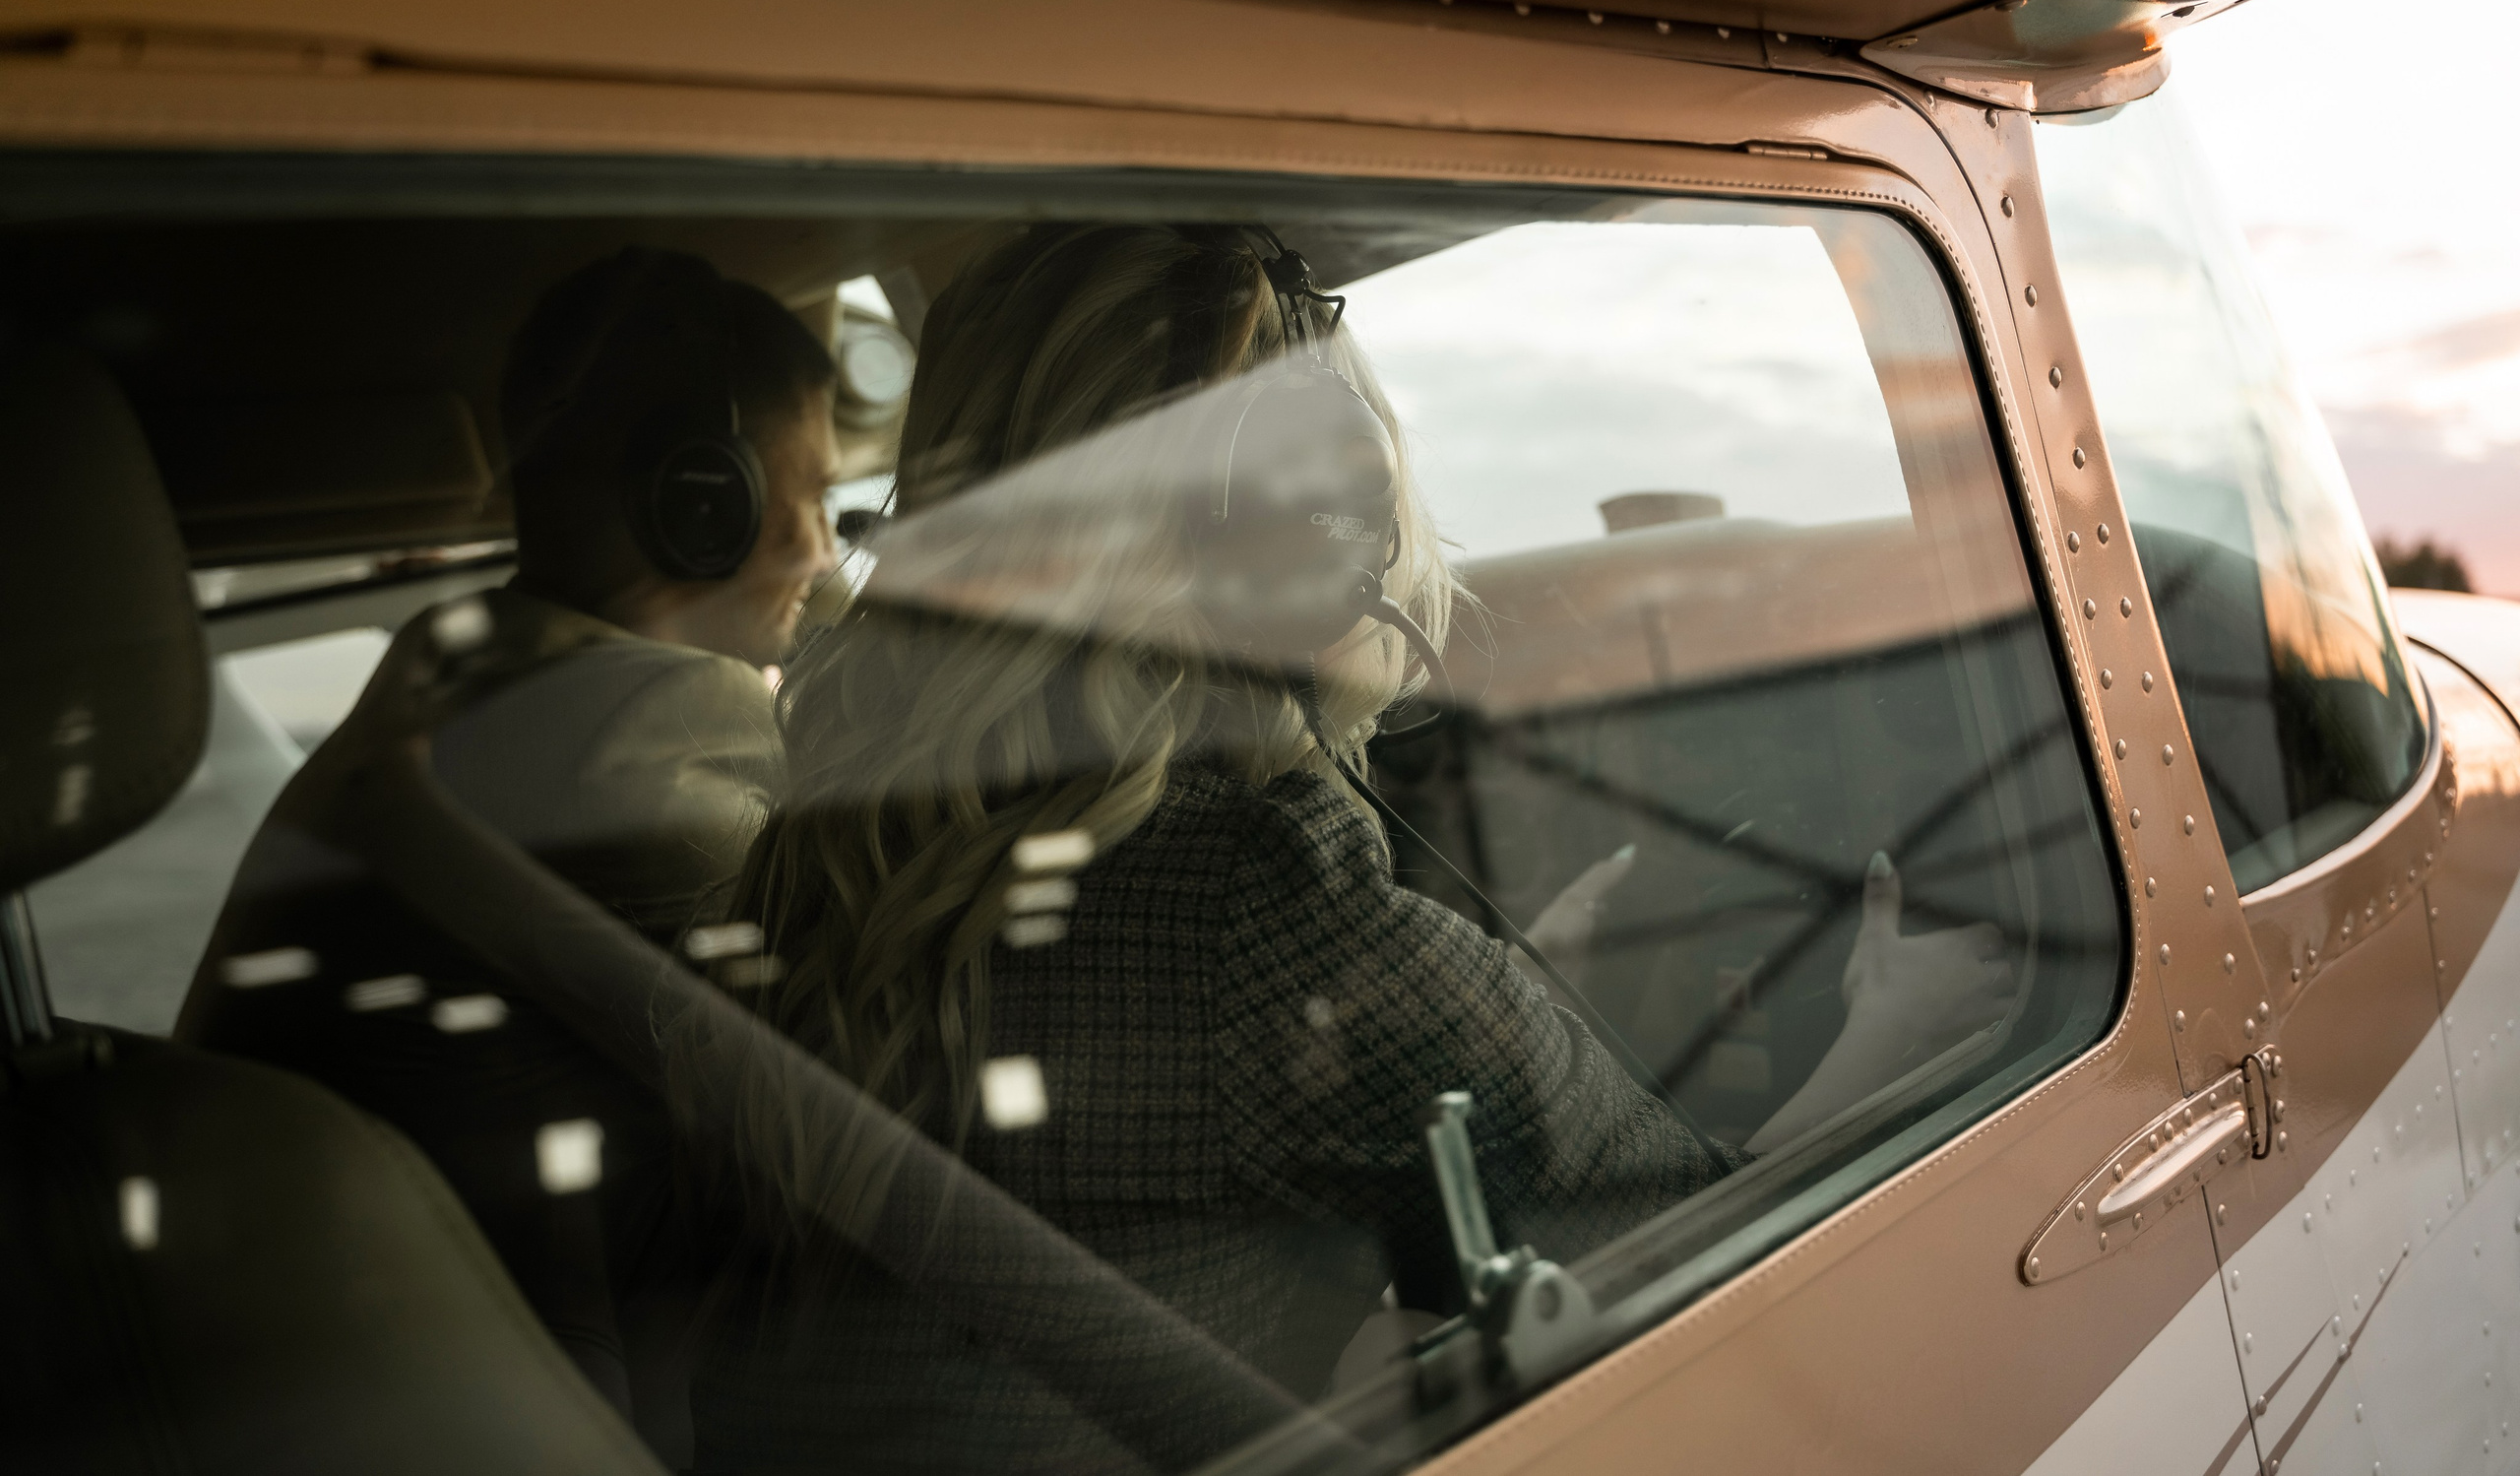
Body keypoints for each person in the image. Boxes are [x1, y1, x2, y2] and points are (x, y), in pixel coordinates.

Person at [678, 224, 2014, 1473]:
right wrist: (1897, 1024)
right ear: (1316, 542)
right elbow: (1686, 1247)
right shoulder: (1251, 890)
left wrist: (1475, 986)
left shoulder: (836, 848)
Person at [176, 247, 844, 1456]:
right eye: (821, 503)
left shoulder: (460, 659)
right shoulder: (648, 734)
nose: (830, 558)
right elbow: (868, 1038)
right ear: (706, 505)